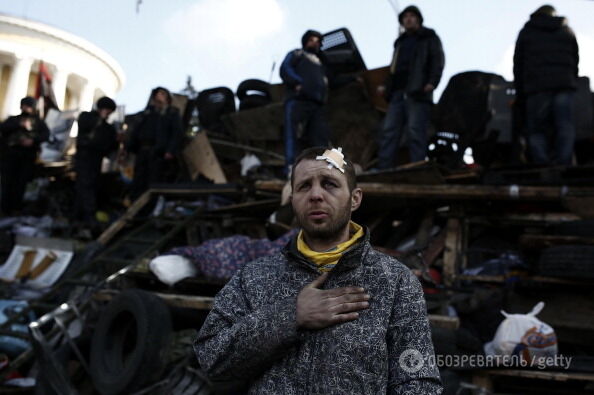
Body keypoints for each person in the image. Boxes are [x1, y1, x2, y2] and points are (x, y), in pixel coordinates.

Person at [195, 147, 442, 393]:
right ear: (293, 200)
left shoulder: (395, 281)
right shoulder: (254, 278)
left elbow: (418, 379)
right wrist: (290, 316)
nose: (315, 195)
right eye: (304, 186)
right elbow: (211, 359)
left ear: (355, 198)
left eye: (329, 184)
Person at [376, 5, 445, 169]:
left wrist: (432, 82)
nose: (408, 19)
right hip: (397, 93)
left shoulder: (429, 37)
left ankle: (417, 167)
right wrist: (386, 87)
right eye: (405, 17)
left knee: (416, 131)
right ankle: (383, 168)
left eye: (412, 16)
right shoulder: (400, 43)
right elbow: (394, 68)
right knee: (389, 131)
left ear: (418, 19)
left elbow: (437, 60)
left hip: (417, 92)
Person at [513, 5, 579, 166]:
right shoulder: (566, 31)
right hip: (564, 85)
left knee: (536, 129)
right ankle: (564, 162)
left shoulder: (527, 32)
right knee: (564, 125)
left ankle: (542, 163)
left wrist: (520, 90)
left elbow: (518, 64)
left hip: (537, 88)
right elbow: (575, 60)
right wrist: (571, 80)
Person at [280, 30, 331, 172]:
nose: (314, 43)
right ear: (305, 42)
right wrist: (298, 83)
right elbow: (285, 68)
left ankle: (323, 170)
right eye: (311, 40)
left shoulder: (321, 64)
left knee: (320, 137)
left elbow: (331, 81)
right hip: (298, 100)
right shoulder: (297, 54)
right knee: (293, 135)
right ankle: (291, 168)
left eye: (317, 41)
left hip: (317, 104)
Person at [125, 87, 183, 200]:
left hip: (159, 153)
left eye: (162, 94)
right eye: (157, 94)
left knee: (154, 181)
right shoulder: (147, 114)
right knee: (138, 181)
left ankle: (150, 209)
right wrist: (129, 147)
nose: (159, 96)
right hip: (143, 151)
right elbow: (136, 131)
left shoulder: (171, 113)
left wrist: (170, 150)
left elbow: (177, 133)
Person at [73, 96, 118, 231]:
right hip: (84, 157)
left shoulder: (108, 127)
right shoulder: (87, 117)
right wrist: (99, 119)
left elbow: (110, 145)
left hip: (96, 160)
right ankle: (85, 216)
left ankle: (82, 216)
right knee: (84, 185)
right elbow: (86, 129)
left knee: (92, 185)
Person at [0, 96, 49, 215]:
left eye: (29, 106)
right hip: (11, 156)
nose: (27, 109)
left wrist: (33, 141)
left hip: (27, 157)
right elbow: (3, 128)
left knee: (20, 183)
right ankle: (4, 208)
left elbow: (45, 135)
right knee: (7, 183)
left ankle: (16, 208)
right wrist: (19, 125)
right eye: (25, 106)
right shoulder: (14, 119)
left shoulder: (38, 122)